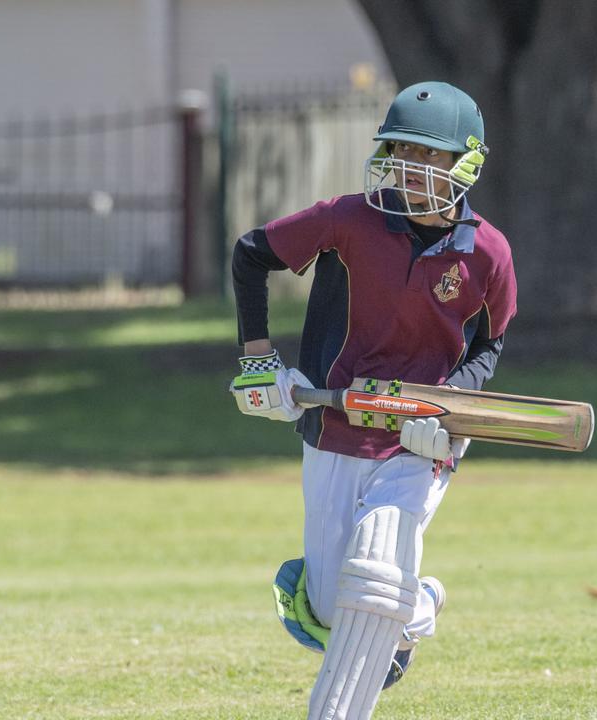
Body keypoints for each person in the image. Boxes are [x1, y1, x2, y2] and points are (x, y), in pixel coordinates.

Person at [229, 81, 517, 719]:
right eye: (401, 150)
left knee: (378, 559)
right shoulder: (347, 219)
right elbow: (251, 256)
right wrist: (259, 362)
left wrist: (446, 406)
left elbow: (489, 346)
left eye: (429, 156)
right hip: (333, 426)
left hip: (421, 440)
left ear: (465, 164)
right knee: (334, 609)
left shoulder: (488, 253)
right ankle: (418, 605)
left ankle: (386, 612)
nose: (410, 168)